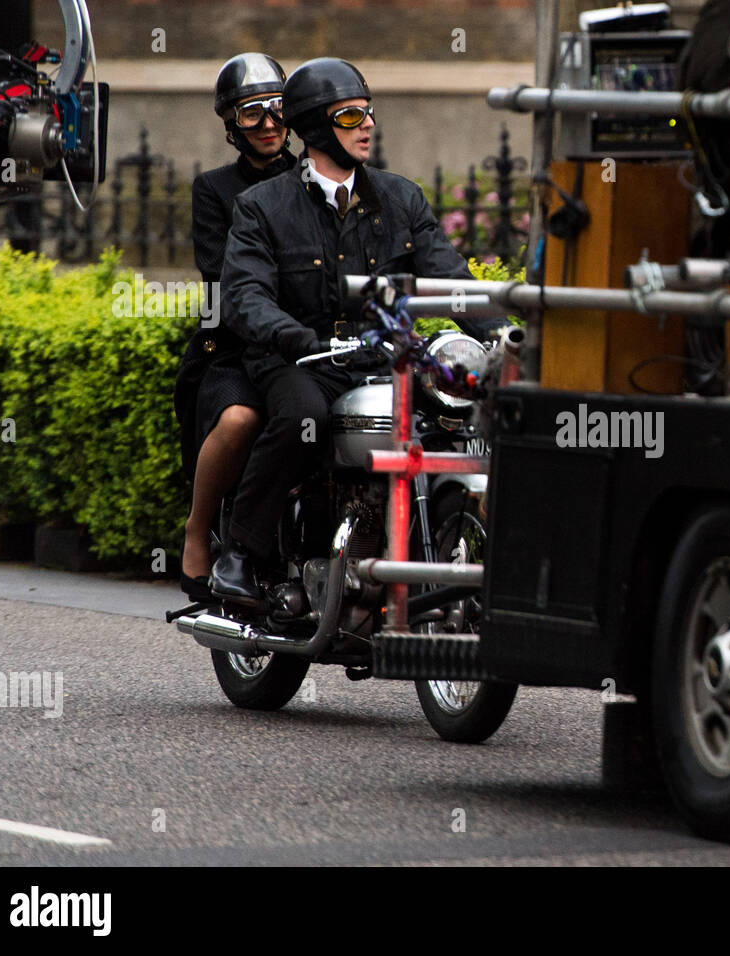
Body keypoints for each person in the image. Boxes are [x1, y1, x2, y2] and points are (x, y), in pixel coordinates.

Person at [211, 57, 504, 599]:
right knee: (306, 416)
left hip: (380, 356)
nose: (368, 125)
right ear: (318, 127)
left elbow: (453, 280)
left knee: (452, 412)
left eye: (368, 113)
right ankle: (240, 554)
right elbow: (244, 297)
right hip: (302, 360)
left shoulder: (402, 198)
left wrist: (505, 334)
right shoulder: (262, 207)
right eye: (351, 117)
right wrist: (295, 335)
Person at [174, 52, 296, 601]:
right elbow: (222, 278)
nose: (268, 124)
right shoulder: (215, 189)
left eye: (277, 109)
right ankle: (198, 533)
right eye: (252, 113)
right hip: (236, 347)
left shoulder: (316, 176)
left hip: (308, 348)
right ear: (232, 123)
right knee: (241, 418)